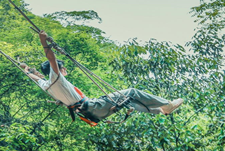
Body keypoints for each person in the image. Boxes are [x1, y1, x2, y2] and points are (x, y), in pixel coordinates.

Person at [21, 30, 183, 124]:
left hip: (91, 113)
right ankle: (167, 105)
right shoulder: (56, 79)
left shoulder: (48, 85)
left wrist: (27, 70)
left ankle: (160, 110)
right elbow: (51, 58)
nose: (64, 70)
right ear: (58, 69)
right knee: (132, 92)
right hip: (93, 107)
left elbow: (37, 78)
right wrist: (43, 41)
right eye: (62, 68)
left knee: (127, 100)